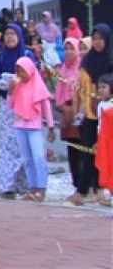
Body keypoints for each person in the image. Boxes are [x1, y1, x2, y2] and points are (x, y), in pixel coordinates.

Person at [69, 23, 111, 206]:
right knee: (87, 153)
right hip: (89, 114)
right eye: (94, 39)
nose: (97, 42)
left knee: (107, 153)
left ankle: (102, 190)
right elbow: (80, 88)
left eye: (101, 38)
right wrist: (79, 109)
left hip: (109, 114)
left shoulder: (111, 60)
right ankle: (82, 191)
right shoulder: (87, 62)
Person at [0, 23, 35, 199]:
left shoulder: (26, 55)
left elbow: (34, 78)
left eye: (13, 34)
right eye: (7, 34)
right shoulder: (0, 58)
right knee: (7, 146)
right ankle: (7, 186)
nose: (10, 37)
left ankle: (25, 185)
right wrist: (6, 84)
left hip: (24, 106)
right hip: (7, 107)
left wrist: (18, 82)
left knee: (23, 145)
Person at [8, 55, 54, 202]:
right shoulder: (18, 86)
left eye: (23, 71)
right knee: (27, 159)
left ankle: (41, 188)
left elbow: (46, 108)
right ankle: (32, 187)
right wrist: (11, 89)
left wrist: (51, 127)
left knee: (39, 157)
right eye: (18, 71)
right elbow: (11, 105)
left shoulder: (38, 86)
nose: (21, 75)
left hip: (34, 127)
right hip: (20, 126)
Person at [57, 37, 85, 195]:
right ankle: (76, 184)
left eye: (71, 49)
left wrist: (77, 109)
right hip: (67, 115)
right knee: (72, 150)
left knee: (83, 150)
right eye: (66, 49)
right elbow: (59, 92)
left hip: (81, 113)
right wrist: (63, 107)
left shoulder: (81, 69)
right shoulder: (63, 70)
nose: (68, 52)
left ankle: (85, 185)